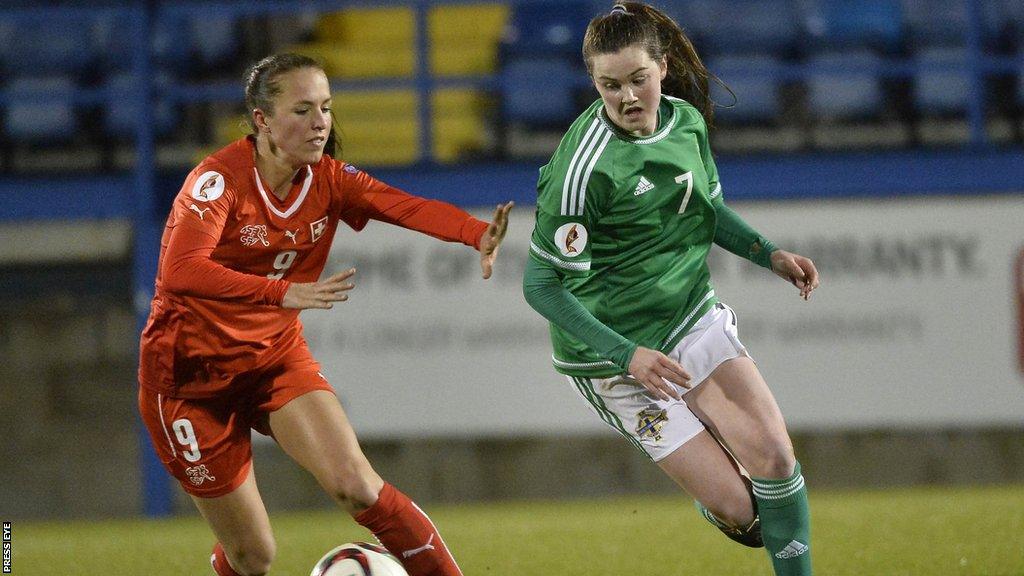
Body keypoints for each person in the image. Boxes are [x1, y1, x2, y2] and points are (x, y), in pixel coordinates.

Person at [137, 53, 512, 576]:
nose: (319, 123)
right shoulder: (216, 182)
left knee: (357, 486)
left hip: (273, 360)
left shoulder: (331, 180)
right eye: (303, 110)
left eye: (326, 108)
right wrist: (278, 293)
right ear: (262, 120)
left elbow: (402, 205)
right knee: (252, 556)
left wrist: (475, 234)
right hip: (189, 383)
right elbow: (180, 271)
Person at [522, 3, 820, 575]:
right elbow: (541, 286)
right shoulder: (583, 168)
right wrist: (625, 354)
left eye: (638, 79)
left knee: (776, 458)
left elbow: (706, 210)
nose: (628, 97)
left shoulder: (685, 123)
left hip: (689, 316)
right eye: (610, 86)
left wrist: (769, 254)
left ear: (661, 67)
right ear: (594, 83)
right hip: (610, 356)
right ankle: (724, 507)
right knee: (743, 510)